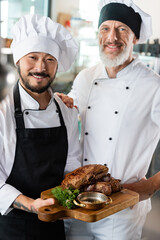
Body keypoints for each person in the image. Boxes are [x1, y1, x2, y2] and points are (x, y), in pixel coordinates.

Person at [58, 0, 160, 239]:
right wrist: (61, 103)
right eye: (105, 28)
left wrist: (152, 185)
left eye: (122, 29)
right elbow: (72, 114)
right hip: (80, 203)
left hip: (123, 208)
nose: (112, 37)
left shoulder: (153, 85)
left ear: (135, 38)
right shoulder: (86, 77)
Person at [0, 14, 82, 240]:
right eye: (32, 57)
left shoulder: (67, 111)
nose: (40, 67)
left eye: (49, 59)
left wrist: (69, 198)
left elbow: (72, 164)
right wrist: (31, 204)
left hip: (54, 221)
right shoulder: (2, 110)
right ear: (17, 60)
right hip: (10, 224)